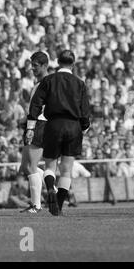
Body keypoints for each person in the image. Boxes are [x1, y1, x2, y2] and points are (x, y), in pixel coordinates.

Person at [27, 50, 90, 216]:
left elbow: (36, 104)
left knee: (49, 166)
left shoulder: (48, 80)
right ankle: (59, 207)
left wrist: (31, 126)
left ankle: (50, 190)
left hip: (53, 124)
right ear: (73, 64)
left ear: (58, 62)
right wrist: (83, 128)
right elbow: (85, 111)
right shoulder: (80, 83)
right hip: (74, 126)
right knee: (67, 170)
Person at [19, 51, 49, 214]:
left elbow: (43, 109)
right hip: (32, 124)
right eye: (32, 65)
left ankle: (36, 205)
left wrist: (31, 124)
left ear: (44, 65)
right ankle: (53, 188)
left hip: (39, 124)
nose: (32, 68)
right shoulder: (38, 83)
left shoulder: (47, 82)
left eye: (35, 65)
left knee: (31, 166)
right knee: (25, 166)